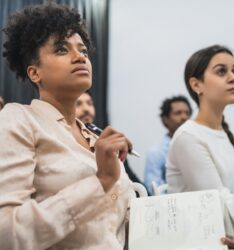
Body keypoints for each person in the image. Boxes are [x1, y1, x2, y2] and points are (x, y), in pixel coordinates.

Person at [0, 3, 135, 249]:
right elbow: (7, 235)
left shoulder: (96, 138)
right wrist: (100, 181)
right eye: (62, 49)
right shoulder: (18, 120)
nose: (80, 56)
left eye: (83, 50)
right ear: (34, 73)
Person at [167, 45, 234, 248]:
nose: (233, 78)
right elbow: (217, 208)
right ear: (197, 85)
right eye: (222, 71)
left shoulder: (233, 136)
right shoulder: (188, 138)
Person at [75, 90, 143, 184]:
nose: (86, 109)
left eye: (90, 103)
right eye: (78, 104)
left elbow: (131, 178)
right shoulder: (67, 140)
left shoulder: (108, 140)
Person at [144, 95, 192, 194]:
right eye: (178, 113)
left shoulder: (197, 147)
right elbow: (154, 190)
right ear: (165, 119)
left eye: (187, 113)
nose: (184, 117)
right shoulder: (156, 153)